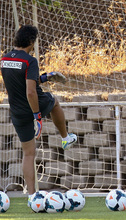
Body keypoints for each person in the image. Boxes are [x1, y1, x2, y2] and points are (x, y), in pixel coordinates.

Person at [0, 25, 77, 205]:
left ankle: (32, 197)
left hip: (17, 111)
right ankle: (65, 137)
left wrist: (46, 77)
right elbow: (31, 92)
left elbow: (18, 80)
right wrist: (37, 116)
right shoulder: (30, 60)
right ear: (32, 42)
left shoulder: (4, 59)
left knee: (28, 154)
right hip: (32, 104)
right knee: (55, 102)